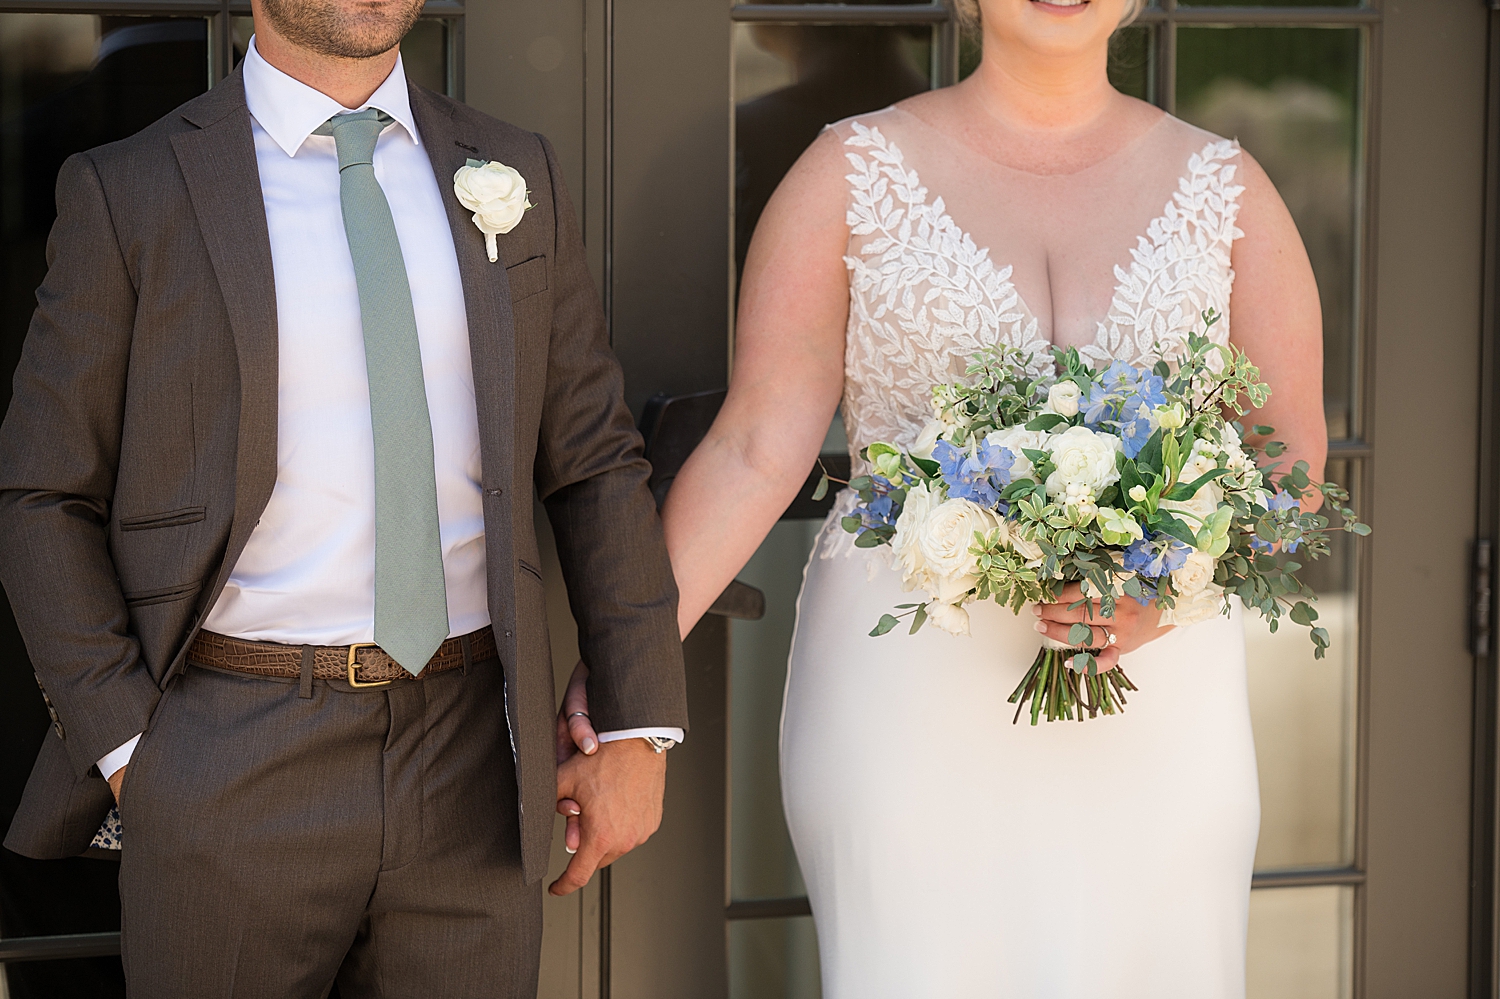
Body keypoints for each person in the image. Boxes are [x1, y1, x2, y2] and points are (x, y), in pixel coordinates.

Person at [584, 0, 1326, 993]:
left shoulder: (1230, 189)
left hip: (1164, 706)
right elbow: (757, 446)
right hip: (904, 708)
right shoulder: (847, 174)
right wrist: (622, 683)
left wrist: (1169, 590)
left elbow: (1290, 468)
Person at [0, 1, 687, 995]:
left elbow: (594, 459)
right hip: (229, 753)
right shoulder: (132, 189)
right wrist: (132, 754)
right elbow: (41, 494)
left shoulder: (513, 169)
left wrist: (635, 723)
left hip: (474, 756)